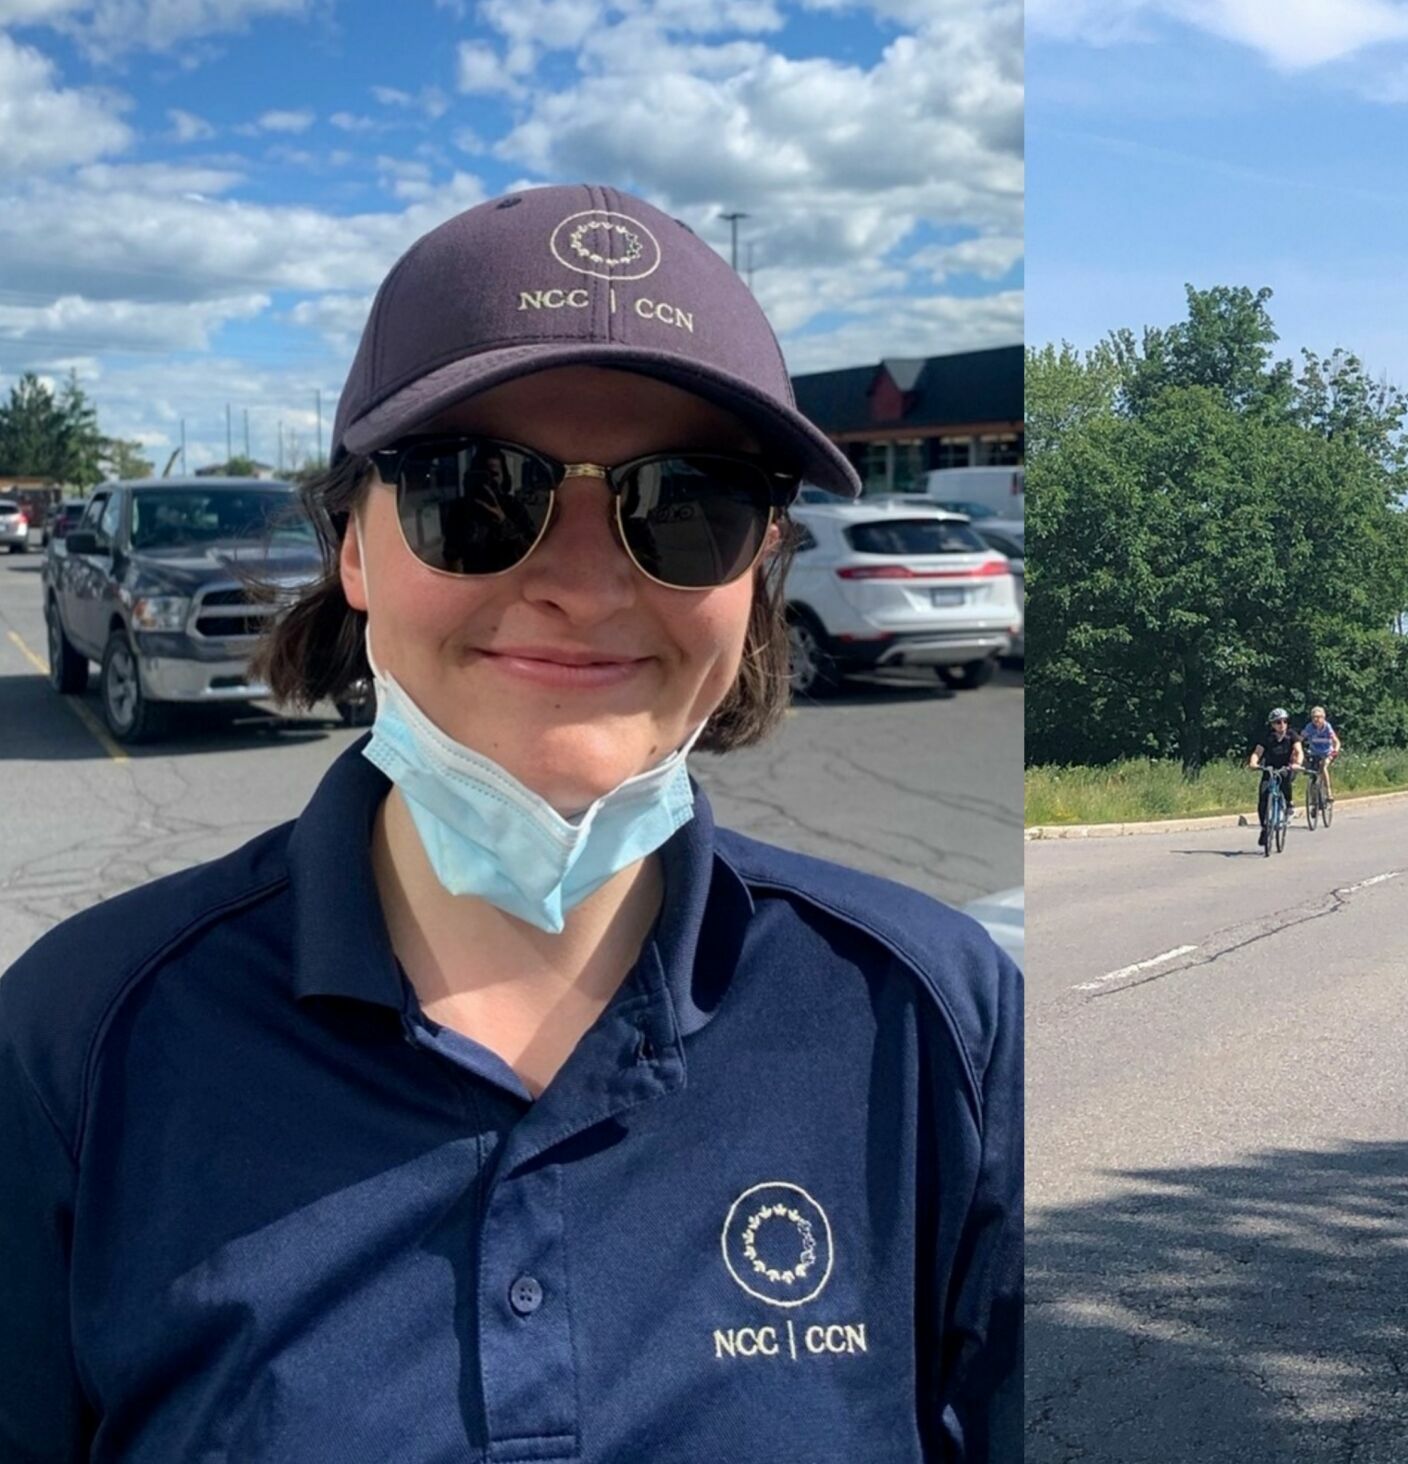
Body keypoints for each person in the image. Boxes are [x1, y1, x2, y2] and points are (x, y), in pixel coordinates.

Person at [0, 186, 1021, 1462]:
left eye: (687, 500)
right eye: (475, 491)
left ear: (760, 569)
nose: (583, 583)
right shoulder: (79, 1044)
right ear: (352, 550)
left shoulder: (934, 1027)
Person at [1248, 707, 1304, 848]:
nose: (1282, 724)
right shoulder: (1267, 737)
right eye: (1278, 722)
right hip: (1269, 768)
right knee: (1263, 796)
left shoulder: (1292, 735)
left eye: (1285, 721)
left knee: (1285, 782)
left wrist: (1297, 763)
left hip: (1285, 766)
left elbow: (1299, 751)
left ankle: (1289, 804)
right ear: (1272, 724)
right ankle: (1265, 828)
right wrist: (1253, 762)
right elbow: (1258, 752)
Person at [1301, 705, 1341, 806]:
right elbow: (1301, 738)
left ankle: (1329, 793)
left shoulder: (1327, 727)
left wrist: (1335, 751)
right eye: (1314, 717)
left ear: (1323, 718)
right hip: (1314, 753)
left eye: (1319, 717)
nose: (1316, 719)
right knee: (1312, 774)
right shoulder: (1309, 727)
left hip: (1327, 753)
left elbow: (1336, 741)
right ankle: (1313, 800)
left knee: (1323, 767)